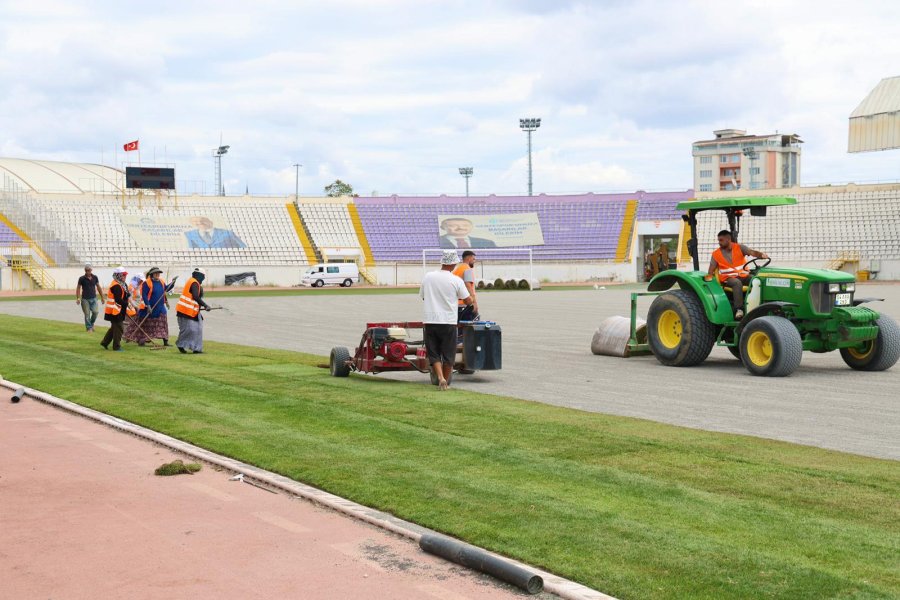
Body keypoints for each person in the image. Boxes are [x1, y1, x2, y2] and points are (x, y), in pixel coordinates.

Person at [420, 250, 474, 391]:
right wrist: (472, 299)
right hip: (449, 321)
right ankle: (445, 380)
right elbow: (468, 300)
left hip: (430, 320)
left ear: (442, 262)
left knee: (433, 352)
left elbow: (423, 296)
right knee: (449, 353)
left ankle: (440, 378)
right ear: (454, 264)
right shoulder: (456, 280)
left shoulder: (428, 277)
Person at [705, 229, 769, 319]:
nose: (719, 242)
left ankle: (760, 305)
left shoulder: (740, 247)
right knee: (736, 283)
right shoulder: (716, 254)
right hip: (728, 278)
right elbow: (711, 269)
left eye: (721, 240)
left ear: (728, 239)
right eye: (718, 240)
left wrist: (761, 255)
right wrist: (709, 277)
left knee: (756, 280)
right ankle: (739, 309)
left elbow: (752, 252)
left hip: (743, 275)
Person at [132, 267, 171, 347]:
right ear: (152, 274)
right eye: (156, 273)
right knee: (146, 326)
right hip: (150, 308)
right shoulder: (147, 283)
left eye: (158, 273)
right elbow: (144, 295)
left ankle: (165, 341)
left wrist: (172, 283)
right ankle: (142, 340)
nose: (157, 274)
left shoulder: (161, 281)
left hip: (160, 307)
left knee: (163, 324)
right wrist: (148, 305)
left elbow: (166, 289)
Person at [176, 267, 211, 354]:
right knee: (190, 329)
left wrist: (201, 306)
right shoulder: (194, 282)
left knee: (198, 328)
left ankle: (197, 349)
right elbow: (195, 296)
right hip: (185, 310)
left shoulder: (195, 283)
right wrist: (205, 305)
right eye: (203, 276)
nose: (204, 278)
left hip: (193, 311)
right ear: (200, 276)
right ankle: (181, 344)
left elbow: (195, 298)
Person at [100, 267, 130, 351]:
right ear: (118, 275)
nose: (125, 276)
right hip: (114, 311)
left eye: (125, 275)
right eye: (123, 275)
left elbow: (125, 295)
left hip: (118, 310)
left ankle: (105, 342)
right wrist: (126, 304)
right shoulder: (116, 285)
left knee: (114, 328)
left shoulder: (122, 284)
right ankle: (116, 346)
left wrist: (128, 297)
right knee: (119, 328)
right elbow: (118, 299)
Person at [452, 250, 479, 322]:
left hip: (455, 304)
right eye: (473, 259)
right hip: (465, 304)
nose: (474, 261)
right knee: (470, 327)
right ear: (469, 258)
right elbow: (468, 286)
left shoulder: (457, 269)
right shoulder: (467, 269)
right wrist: (474, 303)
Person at [75, 264, 103, 332]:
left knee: (95, 312)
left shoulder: (95, 277)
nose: (88, 272)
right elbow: (78, 288)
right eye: (87, 270)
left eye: (89, 270)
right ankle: (89, 328)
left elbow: (98, 287)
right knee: (87, 314)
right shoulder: (81, 278)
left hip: (94, 298)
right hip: (85, 299)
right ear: (85, 271)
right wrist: (78, 298)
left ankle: (91, 323)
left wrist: (102, 297)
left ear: (91, 270)